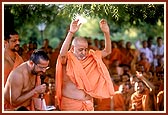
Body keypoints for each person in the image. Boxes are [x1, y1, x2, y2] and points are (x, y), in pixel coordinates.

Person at [55, 19, 115, 111]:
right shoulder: (67, 59)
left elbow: (107, 51)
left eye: (85, 49)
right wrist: (71, 32)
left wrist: (106, 32)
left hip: (88, 105)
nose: (83, 52)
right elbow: (62, 54)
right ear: (72, 48)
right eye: (80, 50)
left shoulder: (91, 58)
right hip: (71, 105)